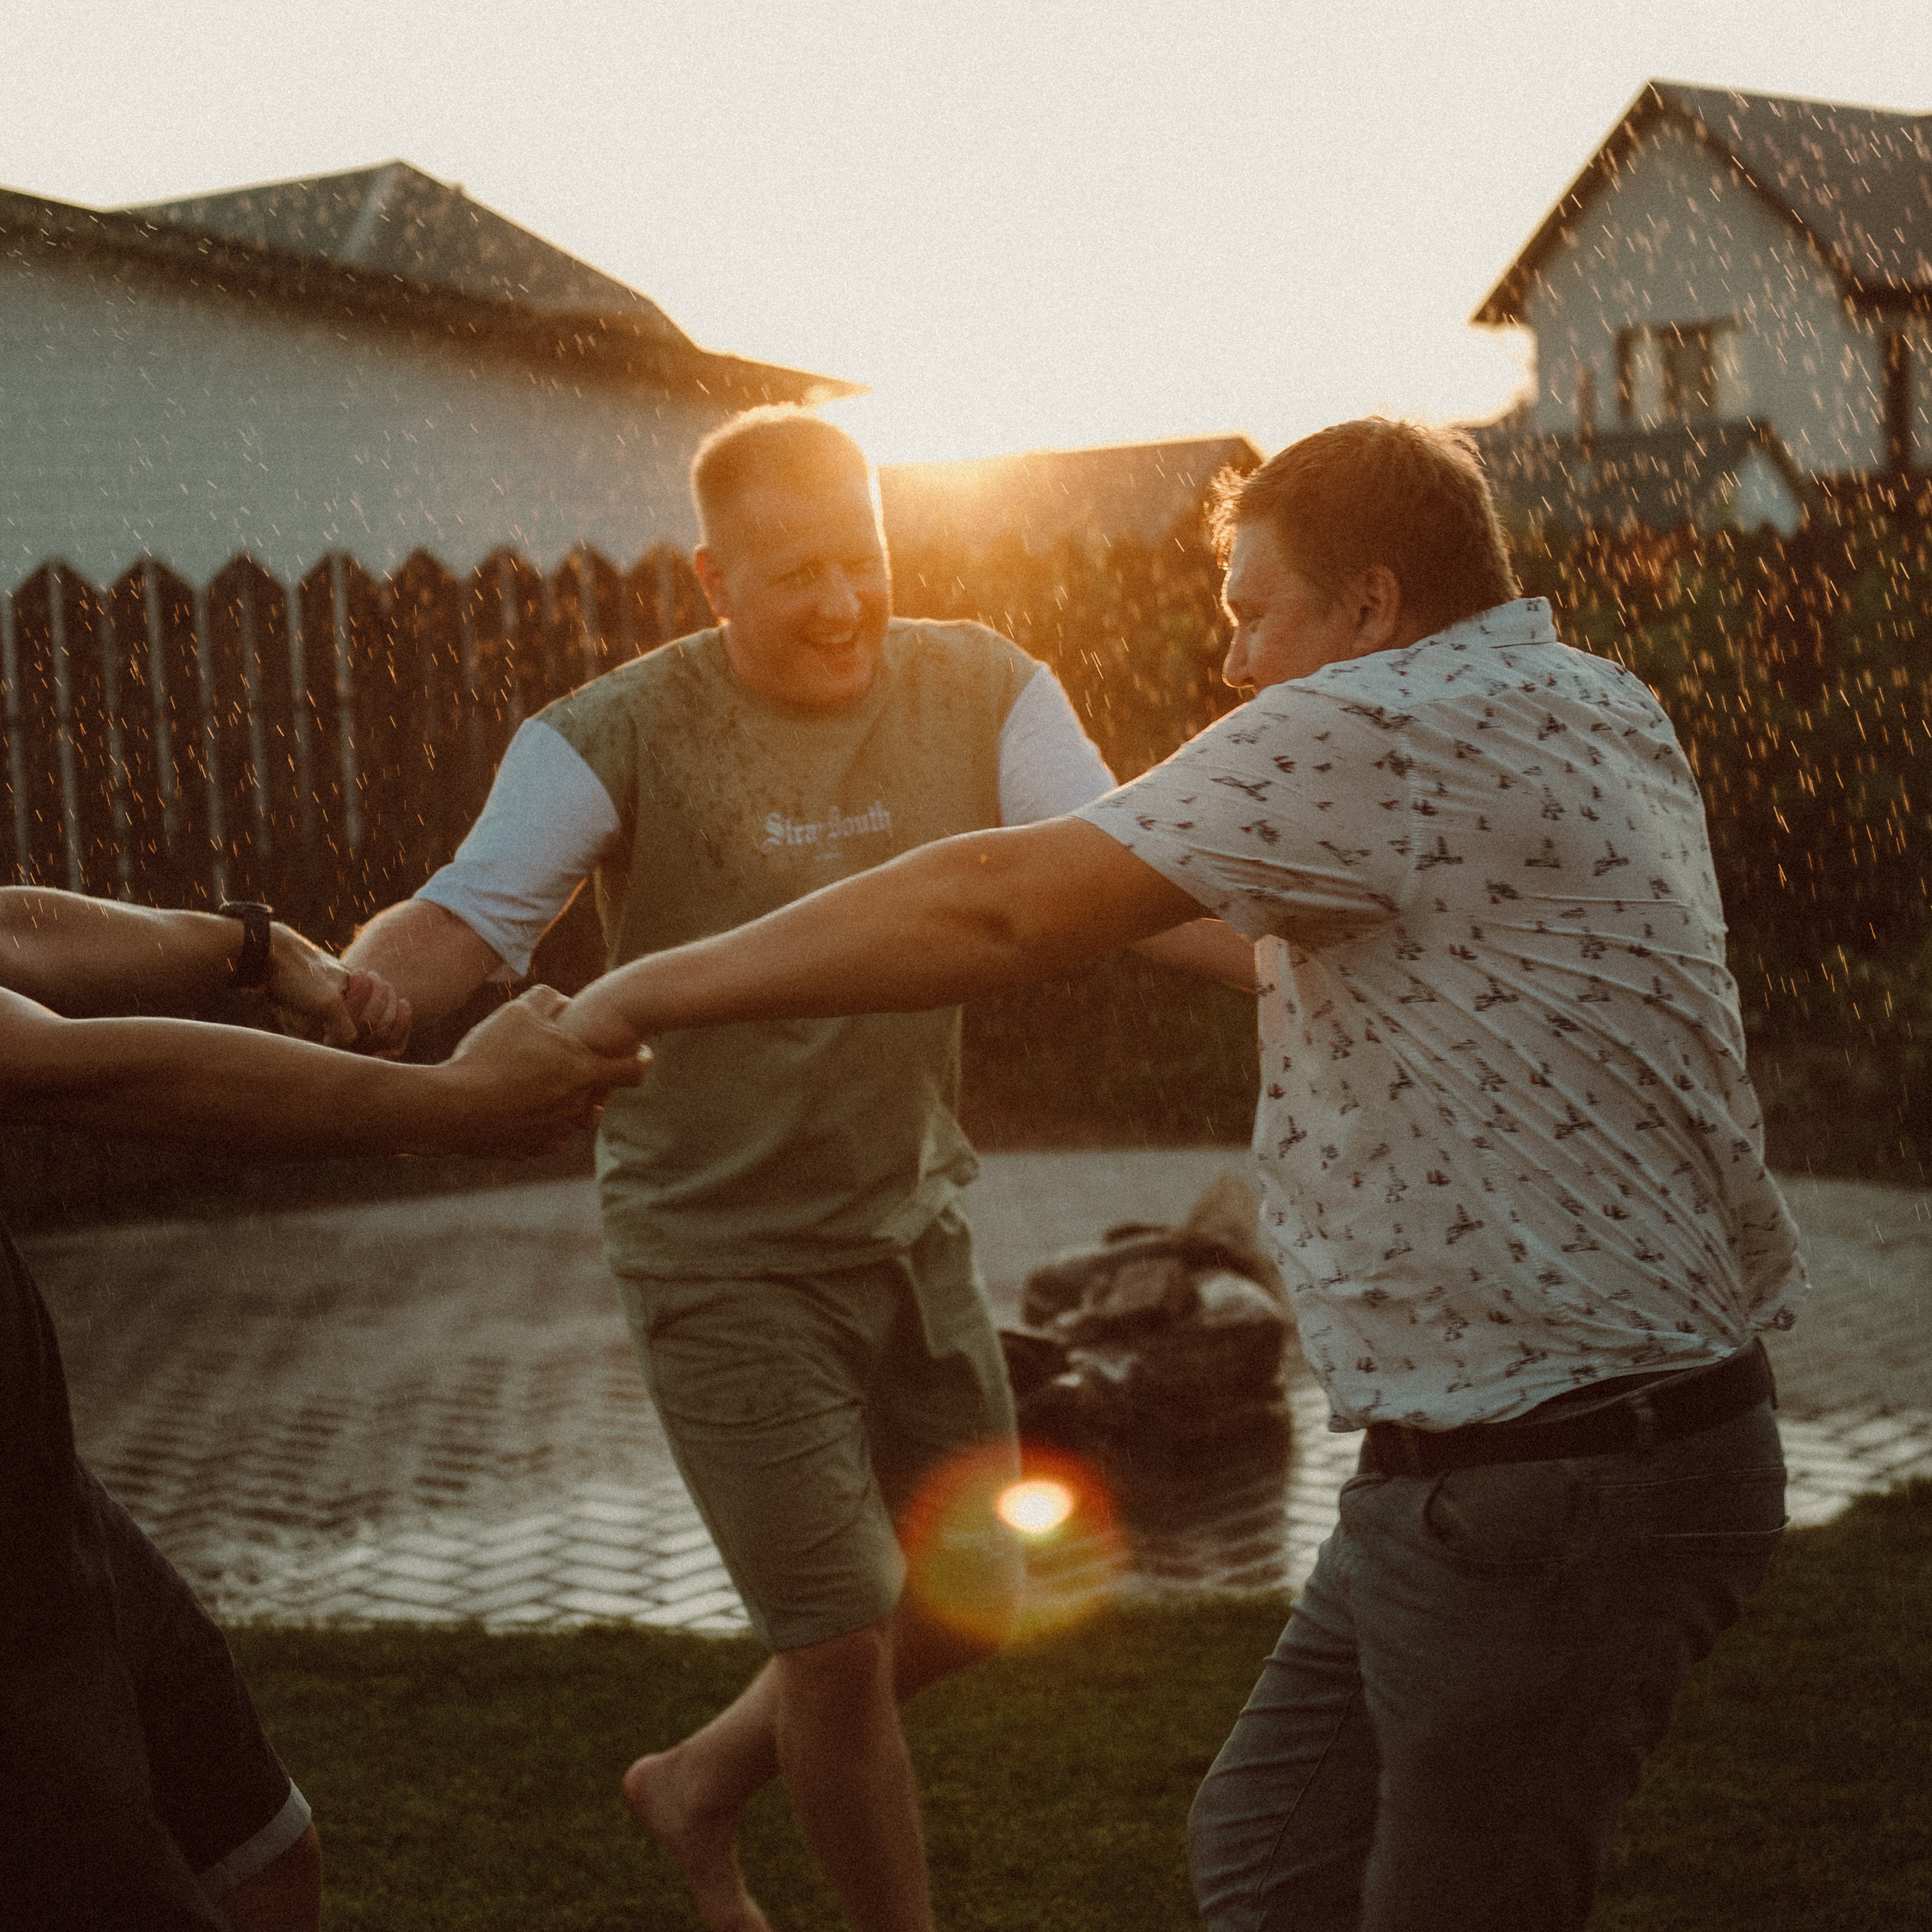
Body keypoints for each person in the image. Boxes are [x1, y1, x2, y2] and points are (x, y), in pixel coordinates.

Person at [558, 417, 1808, 1932]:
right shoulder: (1588, 698)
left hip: (1548, 1470)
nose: (1230, 667)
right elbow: (1322, 939)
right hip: (1563, 1443)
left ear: (1368, 603)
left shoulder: (1367, 723)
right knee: (1267, 1845)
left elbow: (1001, 905)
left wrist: (635, 992)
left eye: (1249, 616)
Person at [345, 405, 1251, 1932]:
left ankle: (694, 1776)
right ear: (714, 578)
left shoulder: (983, 684)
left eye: (864, 559)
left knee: (974, 1596)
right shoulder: (615, 731)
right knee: (835, 1639)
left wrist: (1290, 967)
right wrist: (361, 994)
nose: (840, 602)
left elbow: (1106, 868)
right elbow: (462, 919)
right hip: (717, 1252)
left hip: (910, 1224)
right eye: (795, 573)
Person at [1, 888, 644, 1931]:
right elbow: (69, 1066)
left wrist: (246, 946)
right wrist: (461, 1104)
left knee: (261, 1855)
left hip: (43, 1507)